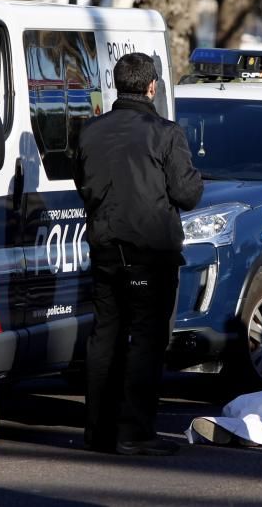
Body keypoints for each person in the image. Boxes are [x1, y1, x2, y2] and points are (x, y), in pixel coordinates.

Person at [74, 52, 203, 456]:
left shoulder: (90, 131)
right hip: (149, 250)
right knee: (146, 338)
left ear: (117, 85)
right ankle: (135, 432)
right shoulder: (165, 133)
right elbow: (187, 193)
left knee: (105, 335)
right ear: (152, 87)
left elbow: (83, 184)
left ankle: (97, 432)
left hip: (105, 246)